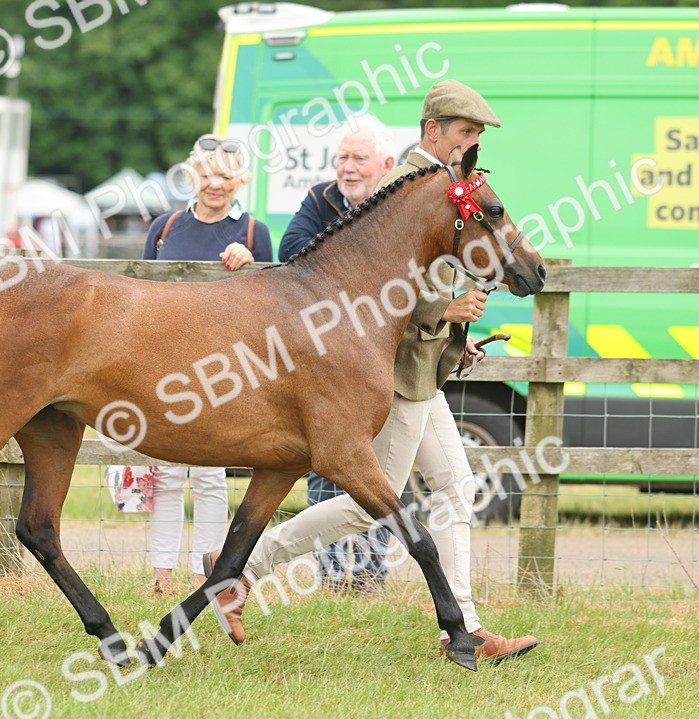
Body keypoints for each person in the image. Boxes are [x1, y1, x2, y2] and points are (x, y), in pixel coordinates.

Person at [205, 82, 539, 663]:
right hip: (396, 372)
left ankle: (465, 628)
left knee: (456, 489)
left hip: (423, 367)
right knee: (367, 504)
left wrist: (453, 336)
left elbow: (428, 280)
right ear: (432, 130)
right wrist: (443, 313)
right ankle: (239, 567)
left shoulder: (445, 188)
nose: (471, 145)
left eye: (477, 137)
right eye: (465, 134)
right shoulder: (401, 186)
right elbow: (370, 293)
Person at [141, 134, 273, 592]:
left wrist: (251, 261)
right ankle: (160, 575)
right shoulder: (165, 226)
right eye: (207, 173)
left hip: (224, 368)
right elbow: (138, 295)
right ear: (192, 174)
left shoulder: (254, 232)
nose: (215, 184)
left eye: (226, 175)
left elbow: (273, 300)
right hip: (164, 361)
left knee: (212, 475)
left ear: (240, 181)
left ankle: (204, 573)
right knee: (167, 473)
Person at [278, 116, 397, 594]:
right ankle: (329, 576)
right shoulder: (319, 199)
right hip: (322, 358)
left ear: (385, 165)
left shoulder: (396, 207)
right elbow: (293, 252)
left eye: (358, 158)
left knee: (376, 470)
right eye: (343, 157)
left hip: (375, 362)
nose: (347, 168)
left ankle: (368, 575)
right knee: (324, 466)